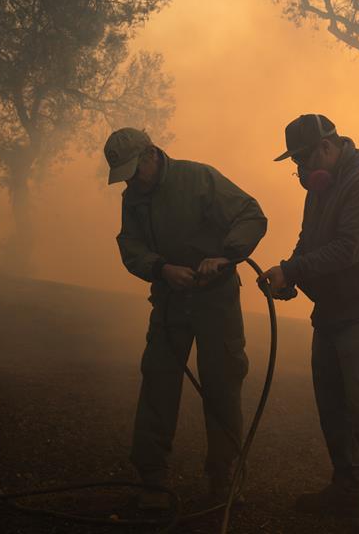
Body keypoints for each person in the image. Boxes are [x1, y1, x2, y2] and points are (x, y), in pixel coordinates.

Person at [259, 114, 359, 533]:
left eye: (304, 160)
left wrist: (295, 270)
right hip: (331, 313)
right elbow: (310, 242)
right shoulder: (320, 189)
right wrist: (292, 272)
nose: (302, 171)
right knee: (333, 406)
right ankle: (348, 490)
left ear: (328, 146)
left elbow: (348, 249)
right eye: (297, 164)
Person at [104, 127, 267, 510]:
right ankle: (153, 481)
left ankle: (222, 479)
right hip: (170, 302)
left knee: (222, 386)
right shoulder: (134, 198)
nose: (129, 180)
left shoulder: (198, 178)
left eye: (132, 169)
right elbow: (130, 245)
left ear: (150, 155)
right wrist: (161, 268)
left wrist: (226, 255)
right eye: (123, 174)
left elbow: (251, 215)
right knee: (158, 384)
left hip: (216, 301)